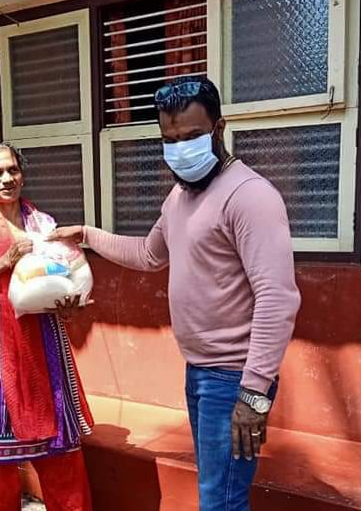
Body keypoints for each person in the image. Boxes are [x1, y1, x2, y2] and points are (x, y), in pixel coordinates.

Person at [49, 75, 301, 511]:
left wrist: (254, 392)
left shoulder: (250, 197)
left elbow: (277, 297)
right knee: (217, 495)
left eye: (191, 136)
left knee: (221, 502)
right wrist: (86, 235)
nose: (180, 148)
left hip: (233, 378)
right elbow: (149, 254)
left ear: (219, 128)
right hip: (199, 370)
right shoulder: (179, 196)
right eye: (169, 139)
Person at [0, 143, 94, 511]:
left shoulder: (42, 224)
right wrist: (3, 262)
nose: (6, 178)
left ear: (22, 174)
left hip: (44, 353)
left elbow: (58, 279)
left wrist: (67, 306)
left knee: (62, 462)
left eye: (12, 170)